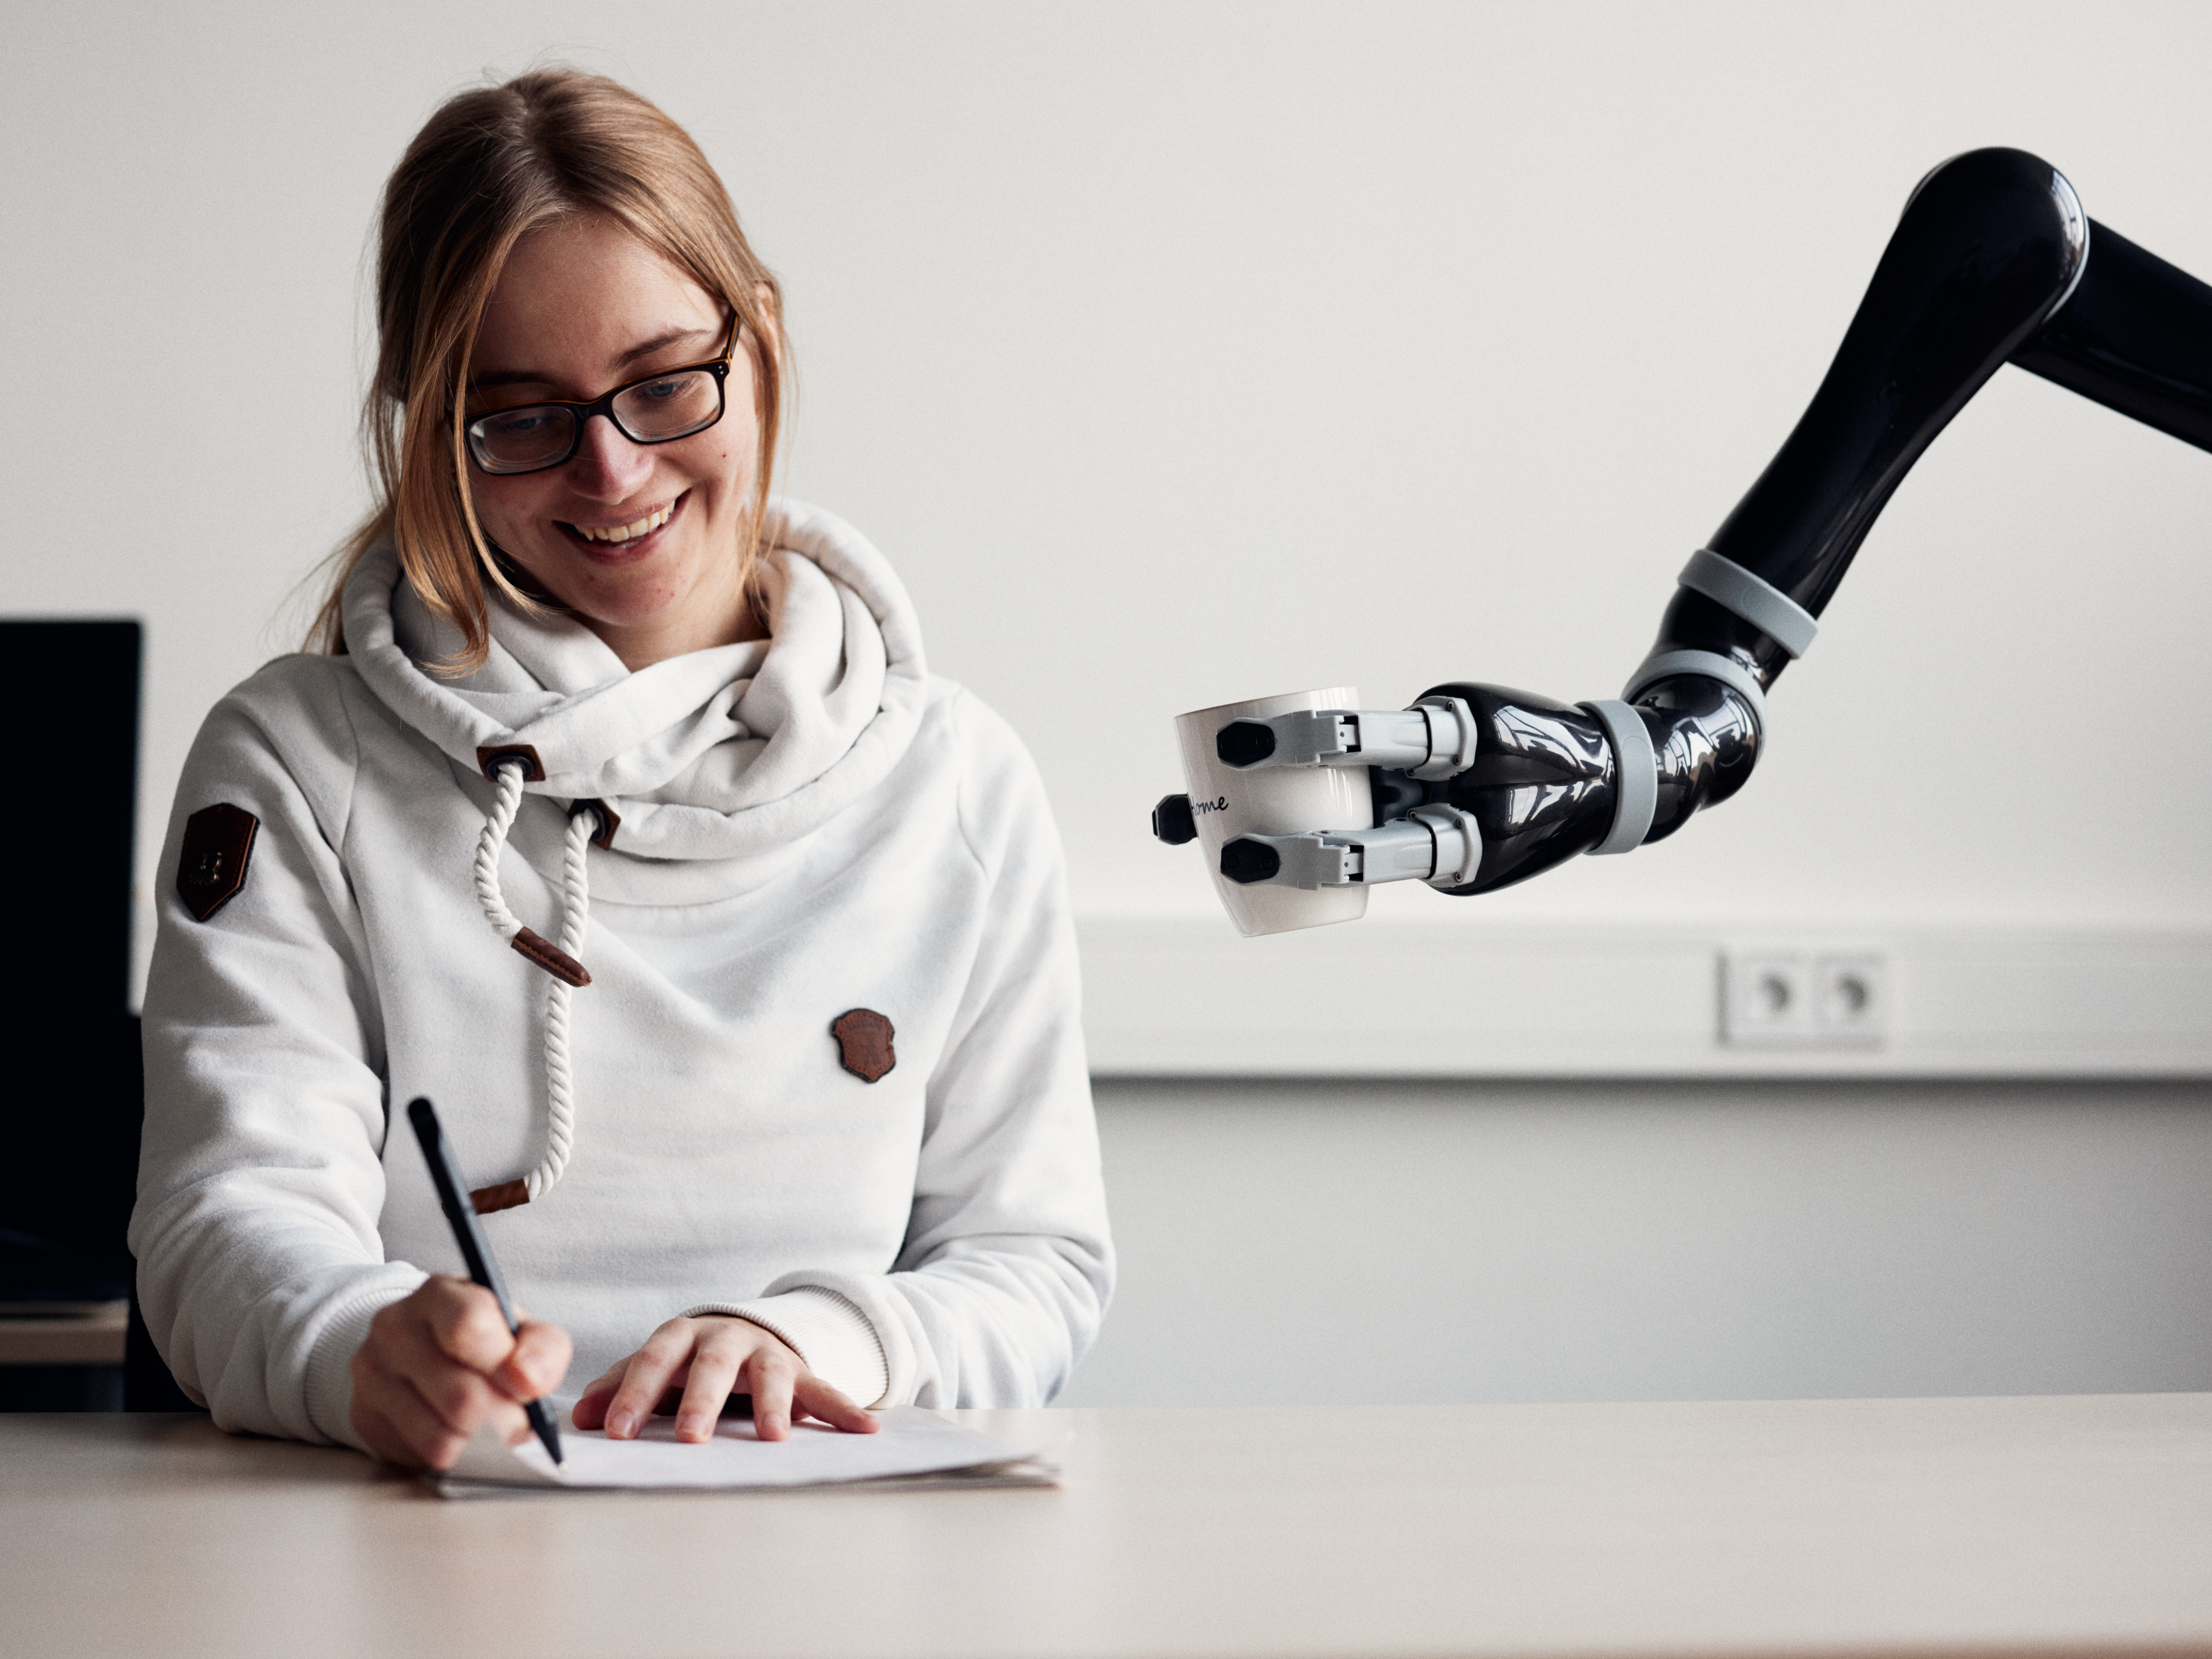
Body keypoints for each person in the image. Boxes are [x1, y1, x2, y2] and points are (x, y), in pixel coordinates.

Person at [131, 69, 1112, 1471]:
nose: (610, 470)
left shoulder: (958, 780)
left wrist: (821, 1343)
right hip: (417, 1547)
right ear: (431, 430)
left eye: (663, 384)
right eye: (519, 416)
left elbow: (1035, 1262)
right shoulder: (296, 761)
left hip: (835, 1564)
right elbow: (221, 1228)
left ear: (759, 336)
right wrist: (363, 1348)